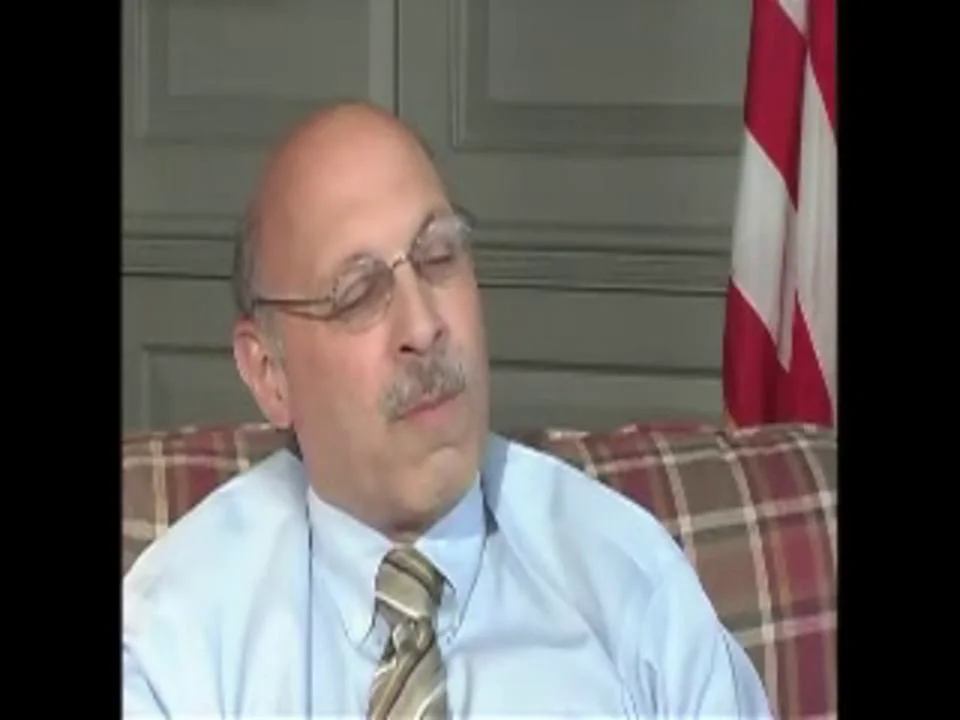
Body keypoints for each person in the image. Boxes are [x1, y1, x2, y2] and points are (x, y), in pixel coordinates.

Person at [122, 101, 773, 719]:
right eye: (357, 293)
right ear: (270, 372)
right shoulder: (174, 640)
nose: (424, 325)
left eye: (438, 257)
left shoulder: (631, 587)